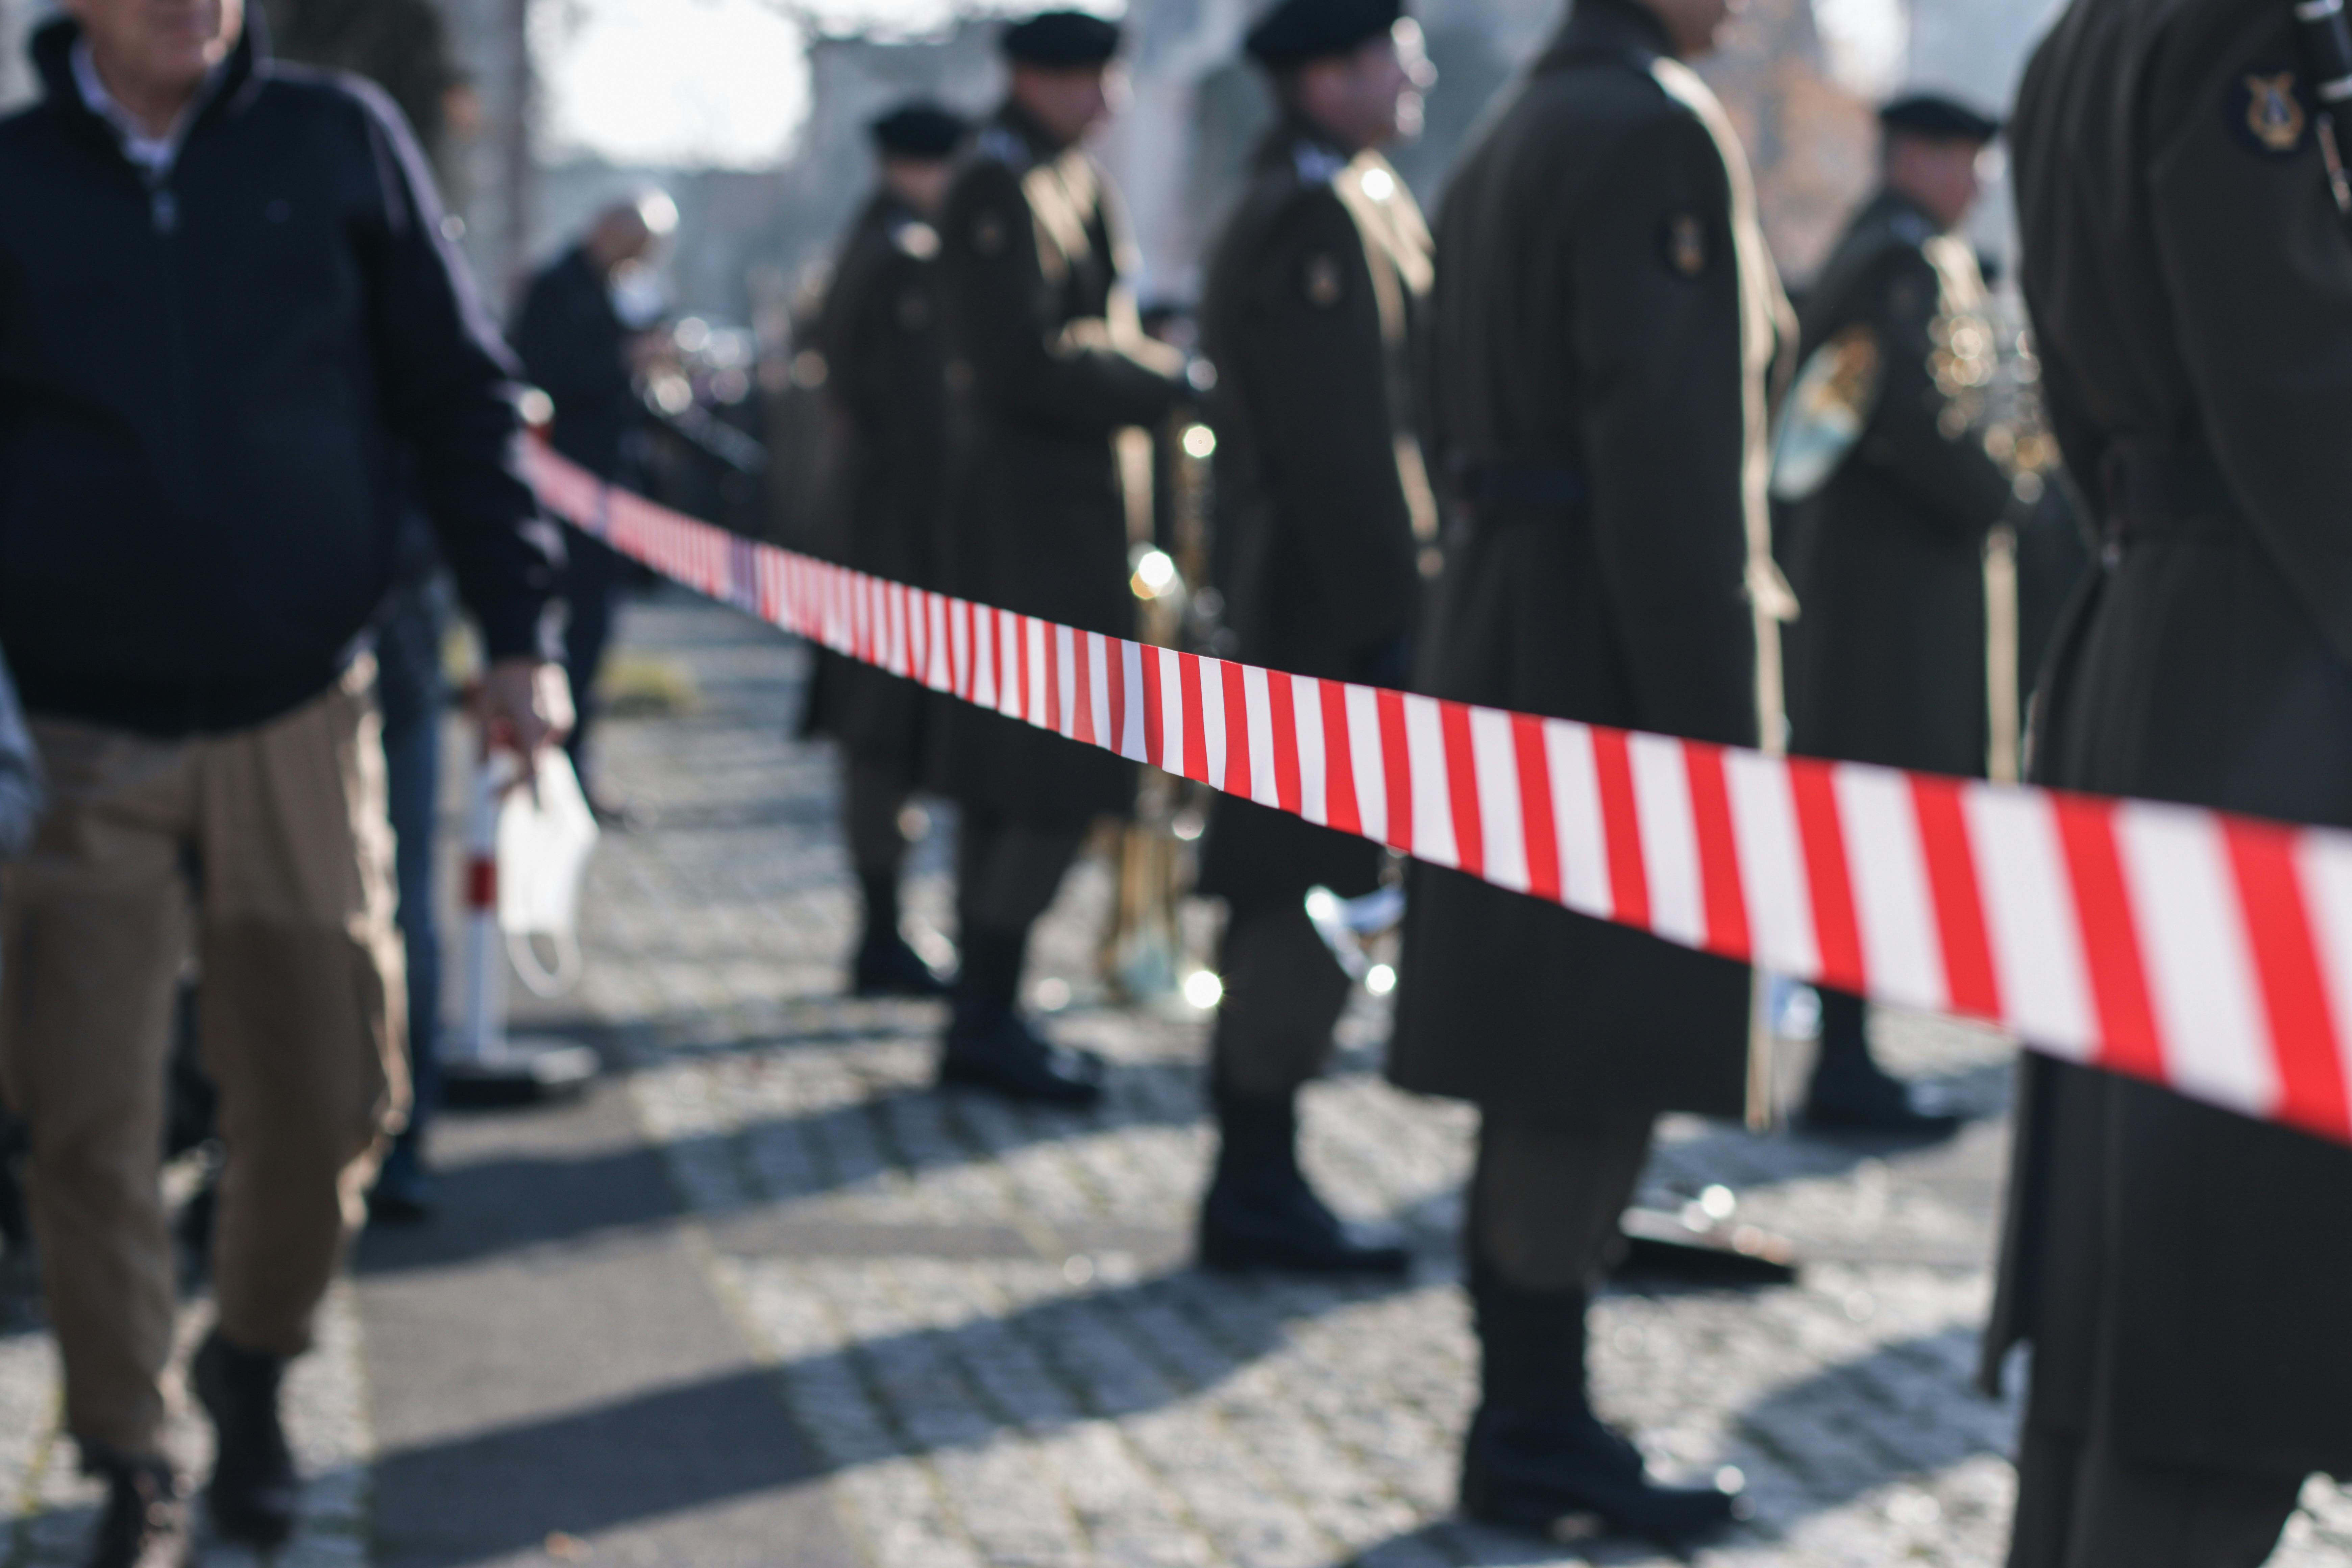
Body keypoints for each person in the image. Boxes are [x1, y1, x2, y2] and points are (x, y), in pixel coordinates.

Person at [0, 2, 568, 1564]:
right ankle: (133, 1453)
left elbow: (460, 390)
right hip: (74, 741)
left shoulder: (337, 144)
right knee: (86, 1115)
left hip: (298, 711)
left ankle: (251, 1358)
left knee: (328, 1085)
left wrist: (520, 635)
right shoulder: (18, 177)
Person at [1389, 0, 1788, 1544]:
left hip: (1512, 613)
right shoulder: (1650, 126)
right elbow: (1673, 454)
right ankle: (1537, 1426)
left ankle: (1526, 1412)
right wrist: (1714, 729)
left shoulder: (1512, 132)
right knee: (1592, 1043)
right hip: (1612, 645)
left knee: (1541, 1039)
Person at [1984, 2, 2352, 1563]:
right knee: (2228, 1293)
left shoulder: (2084, 34)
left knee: (2124, 1290)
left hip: (2159, 621)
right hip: (2271, 669)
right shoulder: (2245, 30)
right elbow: (2300, 384)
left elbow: (2086, 392)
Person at [1190, 0, 1434, 1274]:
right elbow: (1350, 456)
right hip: (1324, 614)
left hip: (1338, 605)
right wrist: (1398, 625)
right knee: (1297, 889)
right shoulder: (1313, 215)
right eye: (1399, 48)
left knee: (1321, 885)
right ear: (1330, 75)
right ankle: (1253, 1179)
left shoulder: (1356, 192)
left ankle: (1263, 1167)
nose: (1422, 70)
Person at [927, 9, 1191, 1105]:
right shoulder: (998, 185)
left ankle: (992, 1004)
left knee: (1039, 780)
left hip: (1069, 524)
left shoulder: (1063, 176)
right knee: (1038, 778)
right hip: (1026, 533)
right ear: (1037, 77)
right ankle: (984, 1015)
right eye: (1091, 79)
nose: (1111, 102)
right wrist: (1161, 378)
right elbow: (1021, 360)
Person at [1775, 94, 2014, 1137]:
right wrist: (1997, 489)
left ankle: (1850, 1051)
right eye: (1964, 159)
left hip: (1895, 587)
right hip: (1883, 594)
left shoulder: (1910, 250)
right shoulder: (1896, 262)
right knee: (1864, 817)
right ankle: (1843, 1062)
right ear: (1916, 157)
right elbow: (1904, 419)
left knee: (1874, 818)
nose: (1980, 182)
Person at [802, 102, 966, 998]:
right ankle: (881, 934)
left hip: (871, 525)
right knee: (881, 738)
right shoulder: (907, 257)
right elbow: (923, 422)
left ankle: (884, 928)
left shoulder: (877, 240)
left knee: (879, 740)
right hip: (892, 534)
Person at [510, 191, 677, 818]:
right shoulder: (558, 287)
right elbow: (546, 372)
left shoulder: (607, 286)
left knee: (594, 632)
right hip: (570, 492)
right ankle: (562, 772)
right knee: (577, 631)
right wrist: (625, 360)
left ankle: (574, 768)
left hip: (606, 488)